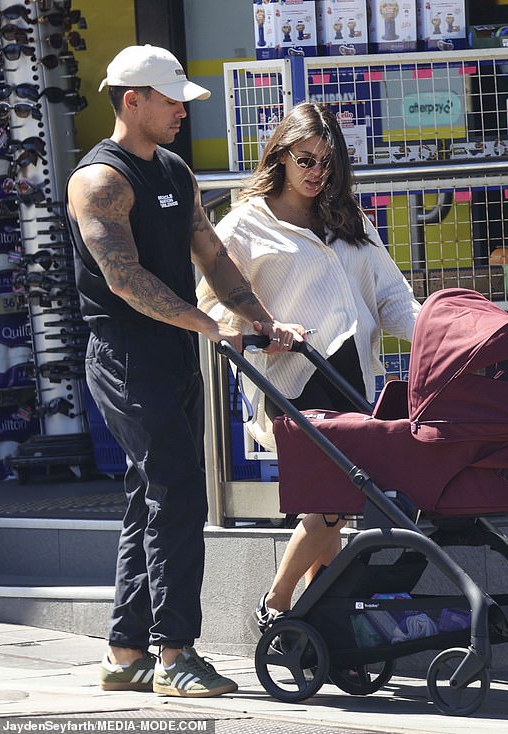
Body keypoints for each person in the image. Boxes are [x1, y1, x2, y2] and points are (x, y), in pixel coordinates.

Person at [65, 45, 302, 697]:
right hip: (125, 356)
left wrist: (258, 317)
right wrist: (208, 324)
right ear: (131, 99)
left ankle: (124, 653)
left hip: (174, 351)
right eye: (169, 100)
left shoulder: (173, 170)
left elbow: (213, 254)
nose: (180, 111)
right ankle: (175, 657)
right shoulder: (100, 180)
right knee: (176, 492)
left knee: (151, 496)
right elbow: (124, 277)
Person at [197, 101, 422, 632]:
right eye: (306, 160)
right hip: (291, 381)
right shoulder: (245, 226)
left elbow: (392, 298)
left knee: (339, 505)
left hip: (351, 377)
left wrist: (442, 333)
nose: (317, 173)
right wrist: (261, 332)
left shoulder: (349, 217)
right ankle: (275, 603)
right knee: (330, 507)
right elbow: (208, 304)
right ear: (280, 156)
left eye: (328, 163)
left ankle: (325, 618)